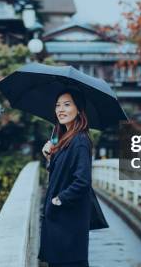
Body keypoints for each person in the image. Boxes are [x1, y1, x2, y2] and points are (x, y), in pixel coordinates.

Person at [38, 88, 95, 267]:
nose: (60, 110)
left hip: (68, 229)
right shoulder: (66, 140)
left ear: (79, 109)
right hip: (61, 228)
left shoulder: (79, 141)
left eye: (67, 104)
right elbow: (62, 175)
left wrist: (58, 200)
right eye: (57, 105)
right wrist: (50, 157)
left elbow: (82, 182)